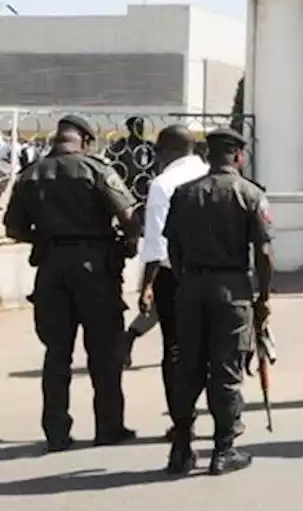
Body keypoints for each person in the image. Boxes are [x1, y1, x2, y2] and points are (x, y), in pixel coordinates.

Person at [3, 114, 140, 452]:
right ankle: (109, 426)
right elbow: (129, 216)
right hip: (95, 269)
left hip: (50, 269)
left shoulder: (29, 174)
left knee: (56, 353)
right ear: (85, 140)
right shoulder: (96, 169)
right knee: (104, 352)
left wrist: (46, 237)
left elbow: (13, 228)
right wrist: (129, 243)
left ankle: (56, 433)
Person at [163, 128, 271, 475]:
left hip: (191, 286)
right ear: (238, 156)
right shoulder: (250, 193)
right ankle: (224, 450)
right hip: (231, 288)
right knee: (226, 370)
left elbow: (172, 247)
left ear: (209, 156)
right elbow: (264, 251)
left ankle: (181, 448)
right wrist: (263, 296)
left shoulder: (184, 193)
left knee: (188, 368)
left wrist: (186, 278)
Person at [135, 125, 209, 430]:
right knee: (212, 348)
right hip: (217, 275)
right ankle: (224, 423)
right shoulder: (212, 175)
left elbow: (156, 243)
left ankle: (182, 421)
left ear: (164, 151)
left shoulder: (163, 184)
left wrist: (146, 284)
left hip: (174, 276)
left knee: (176, 349)